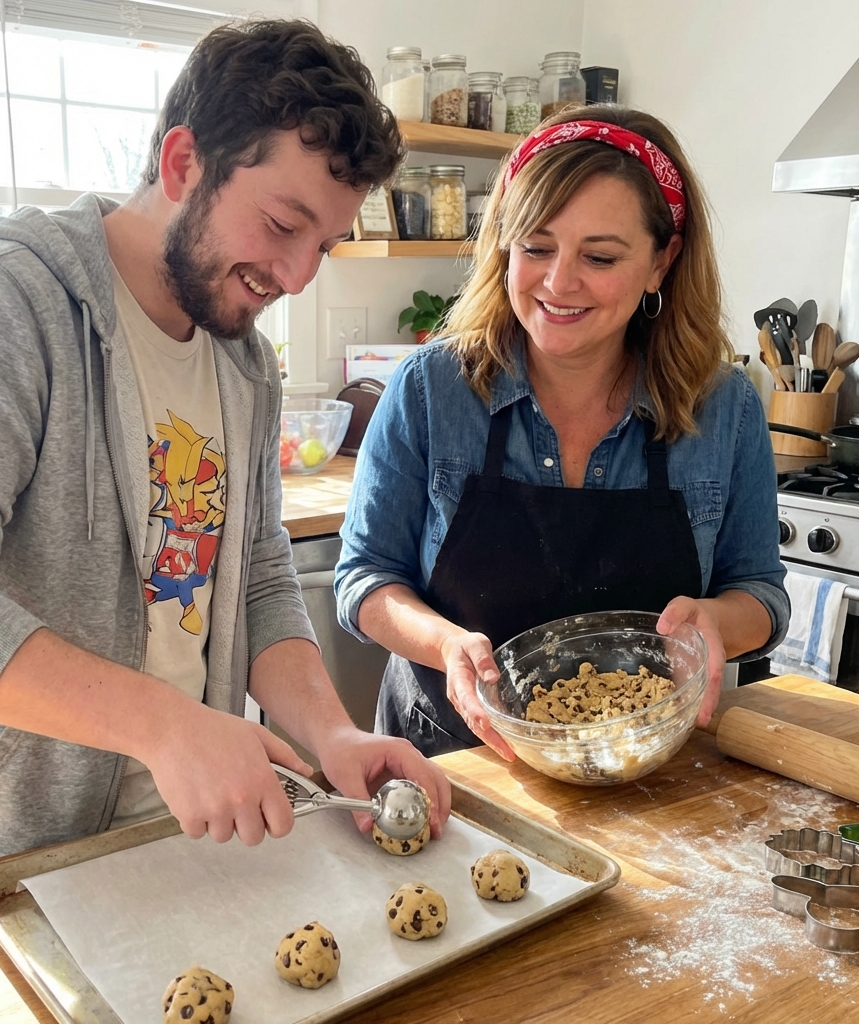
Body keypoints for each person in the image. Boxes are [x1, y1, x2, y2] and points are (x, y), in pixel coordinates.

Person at [0, 18, 451, 885]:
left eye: (323, 243)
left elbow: (260, 577)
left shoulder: (240, 359)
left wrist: (334, 732)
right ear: (181, 164)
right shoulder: (1, 305)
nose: (298, 275)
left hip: (172, 838)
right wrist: (167, 725)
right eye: (283, 223)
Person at [335, 106, 788, 761]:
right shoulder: (431, 391)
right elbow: (365, 579)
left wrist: (715, 623)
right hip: (450, 763)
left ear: (662, 262)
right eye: (536, 247)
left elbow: (762, 592)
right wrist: (444, 644)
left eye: (599, 256)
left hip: (638, 768)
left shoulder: (725, 409)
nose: (558, 282)